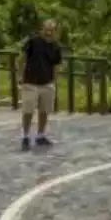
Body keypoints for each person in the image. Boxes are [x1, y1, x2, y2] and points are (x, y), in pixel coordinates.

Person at [19, 19, 62, 150]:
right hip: (30, 81)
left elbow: (56, 65)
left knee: (44, 110)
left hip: (47, 82)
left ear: (55, 31)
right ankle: (25, 136)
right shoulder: (33, 42)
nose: (49, 32)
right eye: (46, 29)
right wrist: (20, 76)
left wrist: (54, 81)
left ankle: (40, 135)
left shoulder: (55, 46)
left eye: (52, 29)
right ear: (41, 29)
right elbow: (22, 58)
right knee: (28, 110)